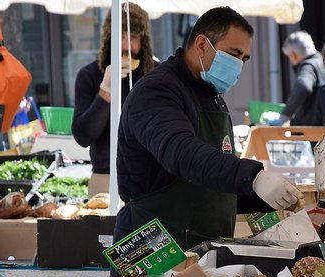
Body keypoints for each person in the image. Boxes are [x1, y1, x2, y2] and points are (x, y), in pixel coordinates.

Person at [115, 7, 301, 251]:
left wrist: (268, 196)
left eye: (244, 58)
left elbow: (213, 182)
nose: (238, 65)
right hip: (155, 249)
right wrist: (253, 177)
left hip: (203, 246)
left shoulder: (211, 95)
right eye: (234, 53)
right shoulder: (156, 92)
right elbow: (182, 152)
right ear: (202, 45)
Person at [72, 3, 155, 197]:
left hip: (152, 176)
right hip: (106, 177)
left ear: (143, 41)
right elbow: (83, 136)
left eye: (133, 37)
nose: (126, 46)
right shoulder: (90, 75)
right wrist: (105, 91)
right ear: (109, 39)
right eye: (121, 36)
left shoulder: (157, 74)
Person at [269, 31, 325, 126]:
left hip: (312, 128)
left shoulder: (308, 66)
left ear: (294, 55)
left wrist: (284, 116)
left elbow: (303, 86)